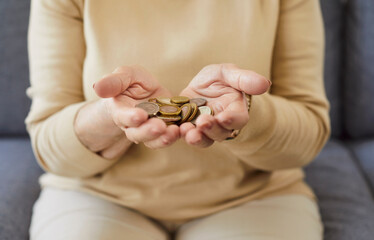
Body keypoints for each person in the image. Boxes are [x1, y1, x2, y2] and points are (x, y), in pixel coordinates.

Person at [26, 0, 330, 239]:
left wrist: (249, 113)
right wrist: (109, 117)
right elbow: (50, 149)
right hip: (95, 198)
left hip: (254, 196)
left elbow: (308, 138)